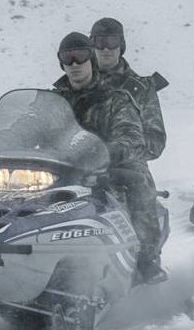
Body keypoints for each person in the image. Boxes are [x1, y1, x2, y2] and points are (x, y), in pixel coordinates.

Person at [52, 32, 168, 285]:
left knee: (138, 184)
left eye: (80, 57)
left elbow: (130, 136)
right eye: (67, 58)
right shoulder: (54, 100)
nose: (74, 65)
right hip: (61, 171)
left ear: (91, 59)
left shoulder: (115, 99)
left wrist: (108, 153)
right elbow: (34, 130)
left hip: (109, 170)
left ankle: (146, 259)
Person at [89, 17, 168, 160]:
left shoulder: (141, 89)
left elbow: (156, 141)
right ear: (92, 46)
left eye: (112, 42)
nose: (106, 49)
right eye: (100, 42)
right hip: (78, 167)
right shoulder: (77, 82)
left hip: (128, 170)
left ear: (121, 45)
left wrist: (122, 149)